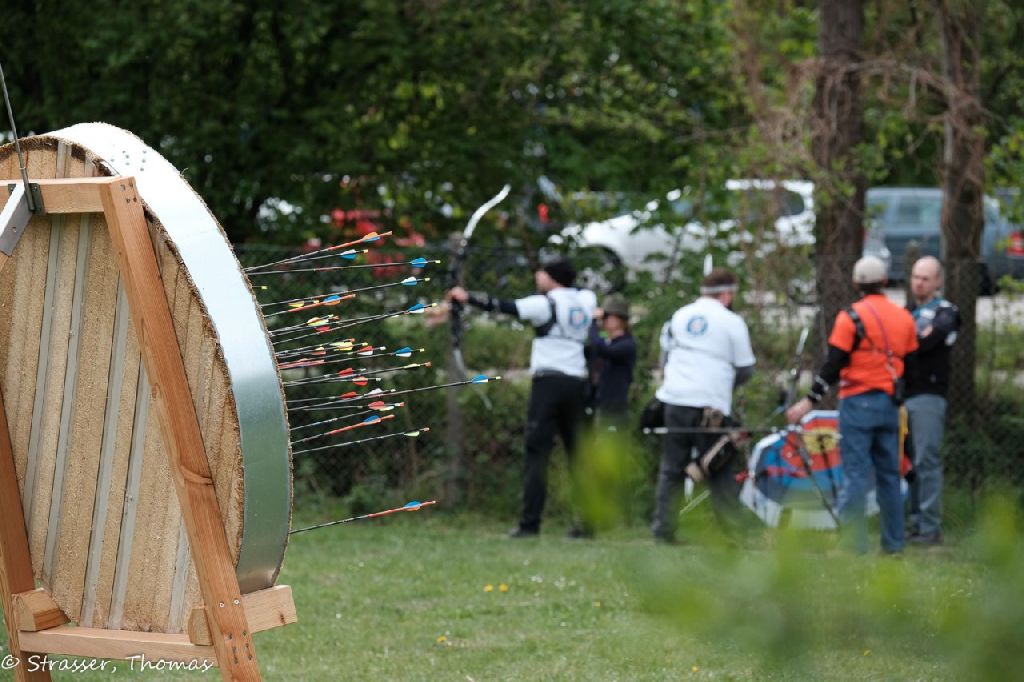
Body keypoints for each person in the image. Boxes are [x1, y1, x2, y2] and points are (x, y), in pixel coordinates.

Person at [448, 257, 597, 538]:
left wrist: (467, 297)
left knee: (537, 453)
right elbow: (581, 295)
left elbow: (505, 306)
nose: (537, 277)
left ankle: (530, 523)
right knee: (578, 454)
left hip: (548, 384)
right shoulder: (585, 300)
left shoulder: (545, 304)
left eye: (542, 273)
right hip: (577, 383)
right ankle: (588, 524)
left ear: (551, 277)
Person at [787, 256, 918, 554]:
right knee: (889, 475)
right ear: (884, 281)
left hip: (857, 403)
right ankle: (894, 544)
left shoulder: (850, 318)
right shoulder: (904, 318)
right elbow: (912, 365)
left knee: (856, 475)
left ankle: (852, 545)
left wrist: (810, 400)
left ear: (856, 283)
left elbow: (833, 364)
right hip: (890, 404)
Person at [651, 267, 755, 544]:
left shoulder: (679, 316)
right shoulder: (731, 321)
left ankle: (663, 530)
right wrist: (725, 386)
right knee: (718, 464)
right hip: (711, 404)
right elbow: (745, 368)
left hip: (674, 399)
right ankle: (733, 533)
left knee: (671, 467)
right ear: (726, 294)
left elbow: (664, 358)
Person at [904, 256, 960, 546]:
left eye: (926, 278)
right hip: (903, 395)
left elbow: (927, 342)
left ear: (938, 281)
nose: (919, 283)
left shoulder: (946, 312)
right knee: (909, 463)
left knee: (927, 460)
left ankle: (930, 527)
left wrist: (906, 341)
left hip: (929, 395)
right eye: (916, 277)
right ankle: (915, 523)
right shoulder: (906, 312)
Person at [587, 293, 637, 428]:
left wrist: (593, 323)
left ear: (620, 320)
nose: (604, 320)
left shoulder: (627, 344)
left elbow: (604, 350)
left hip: (615, 409)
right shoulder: (606, 342)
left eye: (607, 316)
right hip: (599, 404)